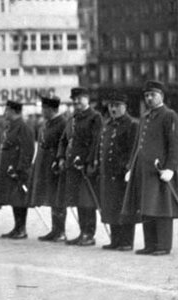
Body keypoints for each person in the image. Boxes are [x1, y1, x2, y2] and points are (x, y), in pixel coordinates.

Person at [122, 80, 178, 255]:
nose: (149, 98)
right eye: (147, 95)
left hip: (160, 171)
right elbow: (137, 146)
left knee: (162, 208)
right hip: (144, 172)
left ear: (161, 96)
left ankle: (163, 245)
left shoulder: (169, 115)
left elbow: (175, 144)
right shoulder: (145, 117)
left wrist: (170, 168)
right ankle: (150, 244)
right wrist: (130, 167)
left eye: (153, 95)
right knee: (147, 207)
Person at [57, 87, 103, 246]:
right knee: (77, 200)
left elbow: (96, 143)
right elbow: (64, 139)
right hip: (72, 166)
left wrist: (87, 161)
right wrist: (61, 157)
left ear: (87, 99)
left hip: (85, 167)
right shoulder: (73, 118)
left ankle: (89, 234)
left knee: (87, 201)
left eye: (80, 98)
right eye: (74, 99)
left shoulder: (95, 117)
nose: (76, 102)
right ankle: (82, 232)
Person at [98, 92, 138, 251]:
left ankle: (127, 241)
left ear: (125, 107)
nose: (113, 109)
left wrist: (128, 168)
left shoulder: (132, 124)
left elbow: (133, 150)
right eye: (110, 106)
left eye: (117, 106)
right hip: (108, 174)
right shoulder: (108, 124)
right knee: (110, 206)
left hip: (122, 175)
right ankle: (115, 240)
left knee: (124, 208)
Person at [0, 100, 34, 239]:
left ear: (14, 111)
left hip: (17, 172)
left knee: (19, 199)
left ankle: (22, 229)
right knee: (14, 200)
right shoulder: (11, 126)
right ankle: (17, 227)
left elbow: (27, 151)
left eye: (7, 110)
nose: (5, 113)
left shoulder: (23, 127)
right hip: (9, 171)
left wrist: (20, 170)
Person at [30, 96, 68, 242]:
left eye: (44, 108)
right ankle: (55, 230)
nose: (42, 111)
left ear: (51, 109)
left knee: (58, 198)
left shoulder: (62, 123)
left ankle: (61, 231)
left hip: (56, 165)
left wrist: (59, 160)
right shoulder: (47, 123)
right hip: (45, 164)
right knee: (52, 198)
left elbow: (64, 144)